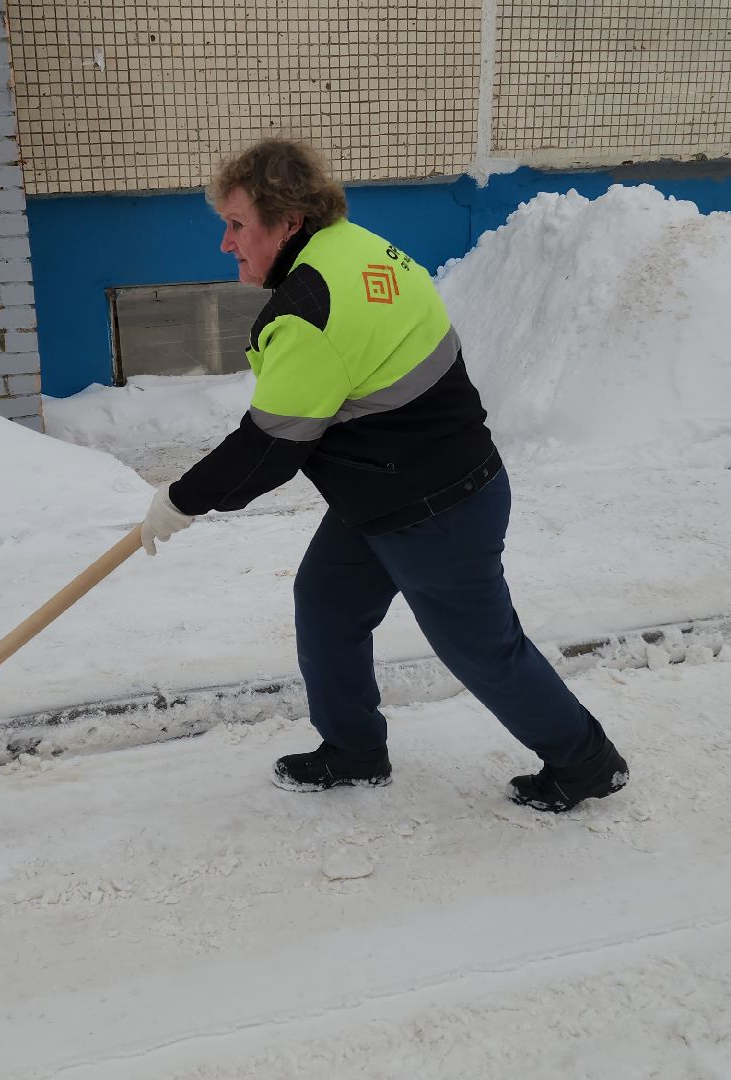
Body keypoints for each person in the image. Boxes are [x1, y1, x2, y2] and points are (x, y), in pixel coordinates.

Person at [140, 139, 627, 813]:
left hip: (436, 506)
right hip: (392, 486)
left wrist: (180, 501)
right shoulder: (356, 246)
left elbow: (267, 450)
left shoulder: (309, 311)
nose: (226, 243)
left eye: (236, 225)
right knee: (327, 603)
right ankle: (354, 751)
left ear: (286, 224)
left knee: (484, 651)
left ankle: (587, 760)